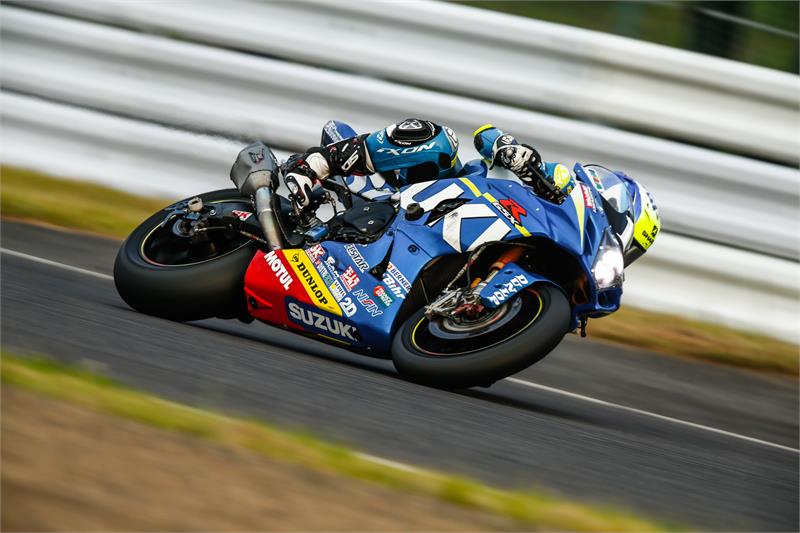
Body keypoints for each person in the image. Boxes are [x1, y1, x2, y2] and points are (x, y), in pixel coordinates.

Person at [282, 118, 659, 265]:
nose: (622, 252)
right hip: (436, 198)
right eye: (625, 242)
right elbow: (487, 136)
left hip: (446, 250)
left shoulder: (566, 265)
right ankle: (315, 165)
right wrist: (512, 153)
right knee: (438, 140)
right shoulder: (560, 186)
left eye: (631, 253)